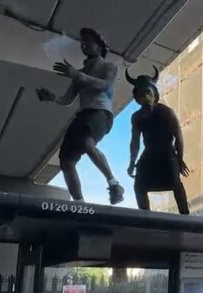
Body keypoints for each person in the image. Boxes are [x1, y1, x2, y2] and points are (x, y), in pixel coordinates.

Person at [36, 27, 124, 204]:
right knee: (66, 161)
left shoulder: (109, 67)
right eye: (82, 41)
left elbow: (105, 85)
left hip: (101, 113)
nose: (84, 44)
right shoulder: (79, 72)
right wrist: (53, 98)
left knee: (87, 142)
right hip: (83, 115)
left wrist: (79, 75)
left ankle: (114, 184)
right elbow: (68, 99)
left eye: (89, 41)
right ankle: (79, 204)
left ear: (100, 46)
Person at [125, 67, 190, 214]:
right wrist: (132, 162)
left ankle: (185, 216)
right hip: (149, 156)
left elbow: (178, 136)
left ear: (154, 93)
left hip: (167, 155)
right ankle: (146, 219)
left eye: (148, 92)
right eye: (142, 93)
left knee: (175, 184)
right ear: (137, 97)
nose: (146, 96)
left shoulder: (167, 112)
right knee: (139, 186)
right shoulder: (137, 117)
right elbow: (134, 142)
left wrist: (179, 159)